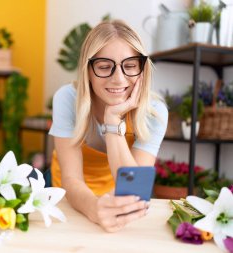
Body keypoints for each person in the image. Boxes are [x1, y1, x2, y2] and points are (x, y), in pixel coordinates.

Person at [49, 19, 168, 232]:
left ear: (142, 69)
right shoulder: (67, 99)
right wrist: (94, 208)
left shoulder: (154, 112)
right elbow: (71, 179)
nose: (119, 78)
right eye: (104, 67)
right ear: (88, 71)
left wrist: (113, 120)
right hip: (70, 199)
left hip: (115, 200)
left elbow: (135, 189)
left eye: (130, 66)